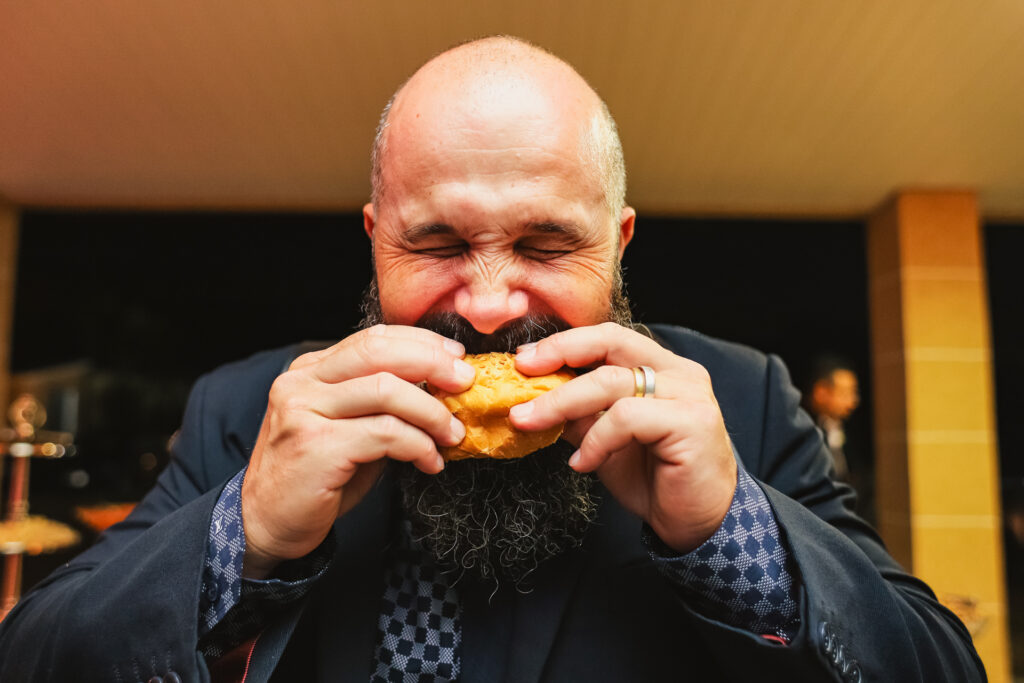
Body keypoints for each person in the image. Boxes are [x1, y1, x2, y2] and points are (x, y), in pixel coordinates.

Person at [0, 36, 983, 682]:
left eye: (546, 245)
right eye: (435, 244)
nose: (486, 304)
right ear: (376, 240)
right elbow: (35, 657)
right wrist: (244, 532)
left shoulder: (742, 403)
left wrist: (732, 531)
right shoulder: (250, 410)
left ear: (619, 244)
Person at [804, 356, 861, 482]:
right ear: (821, 392)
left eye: (854, 393)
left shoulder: (853, 428)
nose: (853, 402)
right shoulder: (803, 429)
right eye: (844, 393)